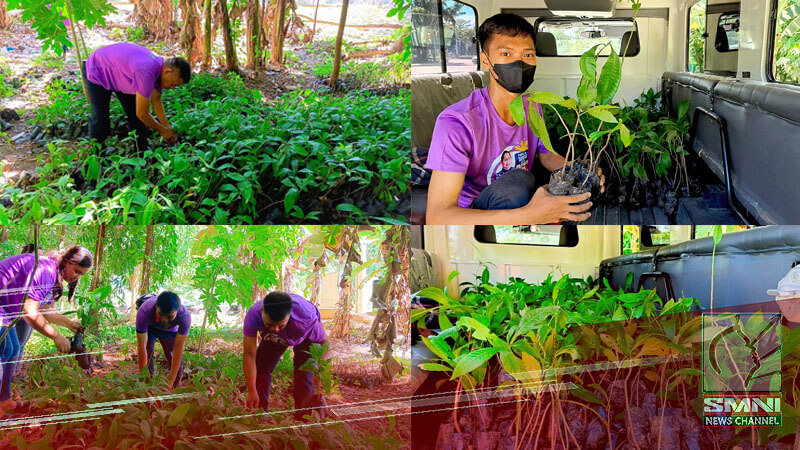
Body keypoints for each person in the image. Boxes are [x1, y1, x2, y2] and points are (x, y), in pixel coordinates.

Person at [425, 13, 605, 225]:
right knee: (519, 180)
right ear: (485, 60)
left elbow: (546, 155)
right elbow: (437, 215)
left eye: (528, 55)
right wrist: (531, 215)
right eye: (506, 53)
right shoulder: (456, 123)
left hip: (519, 200)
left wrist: (579, 172)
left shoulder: (532, 104)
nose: (519, 63)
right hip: (477, 212)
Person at [0, 246, 92, 417]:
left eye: (81, 275)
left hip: (4, 307)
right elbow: (30, 311)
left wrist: (69, 324)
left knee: (11, 349)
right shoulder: (45, 270)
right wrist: (56, 336)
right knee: (5, 348)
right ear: (67, 261)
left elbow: (45, 309)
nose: (76, 277)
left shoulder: (53, 274)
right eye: (76, 271)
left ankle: (4, 400)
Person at [82, 43, 191, 151]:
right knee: (101, 117)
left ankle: (142, 150)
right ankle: (97, 155)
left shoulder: (160, 70)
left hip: (121, 72)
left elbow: (156, 100)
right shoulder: (147, 72)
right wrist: (162, 131)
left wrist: (167, 127)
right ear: (168, 71)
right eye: (173, 84)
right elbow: (142, 113)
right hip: (98, 68)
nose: (172, 87)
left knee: (134, 112)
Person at [242, 291, 327, 420]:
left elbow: (324, 342)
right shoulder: (253, 316)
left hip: (304, 335)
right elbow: (249, 354)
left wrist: (321, 373)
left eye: (280, 325)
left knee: (304, 374)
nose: (275, 329)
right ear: (262, 311)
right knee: (261, 366)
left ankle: (303, 419)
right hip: (277, 338)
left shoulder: (306, 318)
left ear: (289, 315)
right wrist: (252, 390)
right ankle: (258, 414)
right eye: (270, 324)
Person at [135, 291, 190, 388]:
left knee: (172, 353)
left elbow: (178, 349)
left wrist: (171, 382)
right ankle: (147, 383)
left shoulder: (184, 316)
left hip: (169, 331)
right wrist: (143, 381)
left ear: (177, 311)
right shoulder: (144, 311)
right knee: (148, 352)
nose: (164, 319)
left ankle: (175, 386)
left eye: (170, 316)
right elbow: (141, 347)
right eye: (160, 314)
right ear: (156, 306)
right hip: (150, 328)